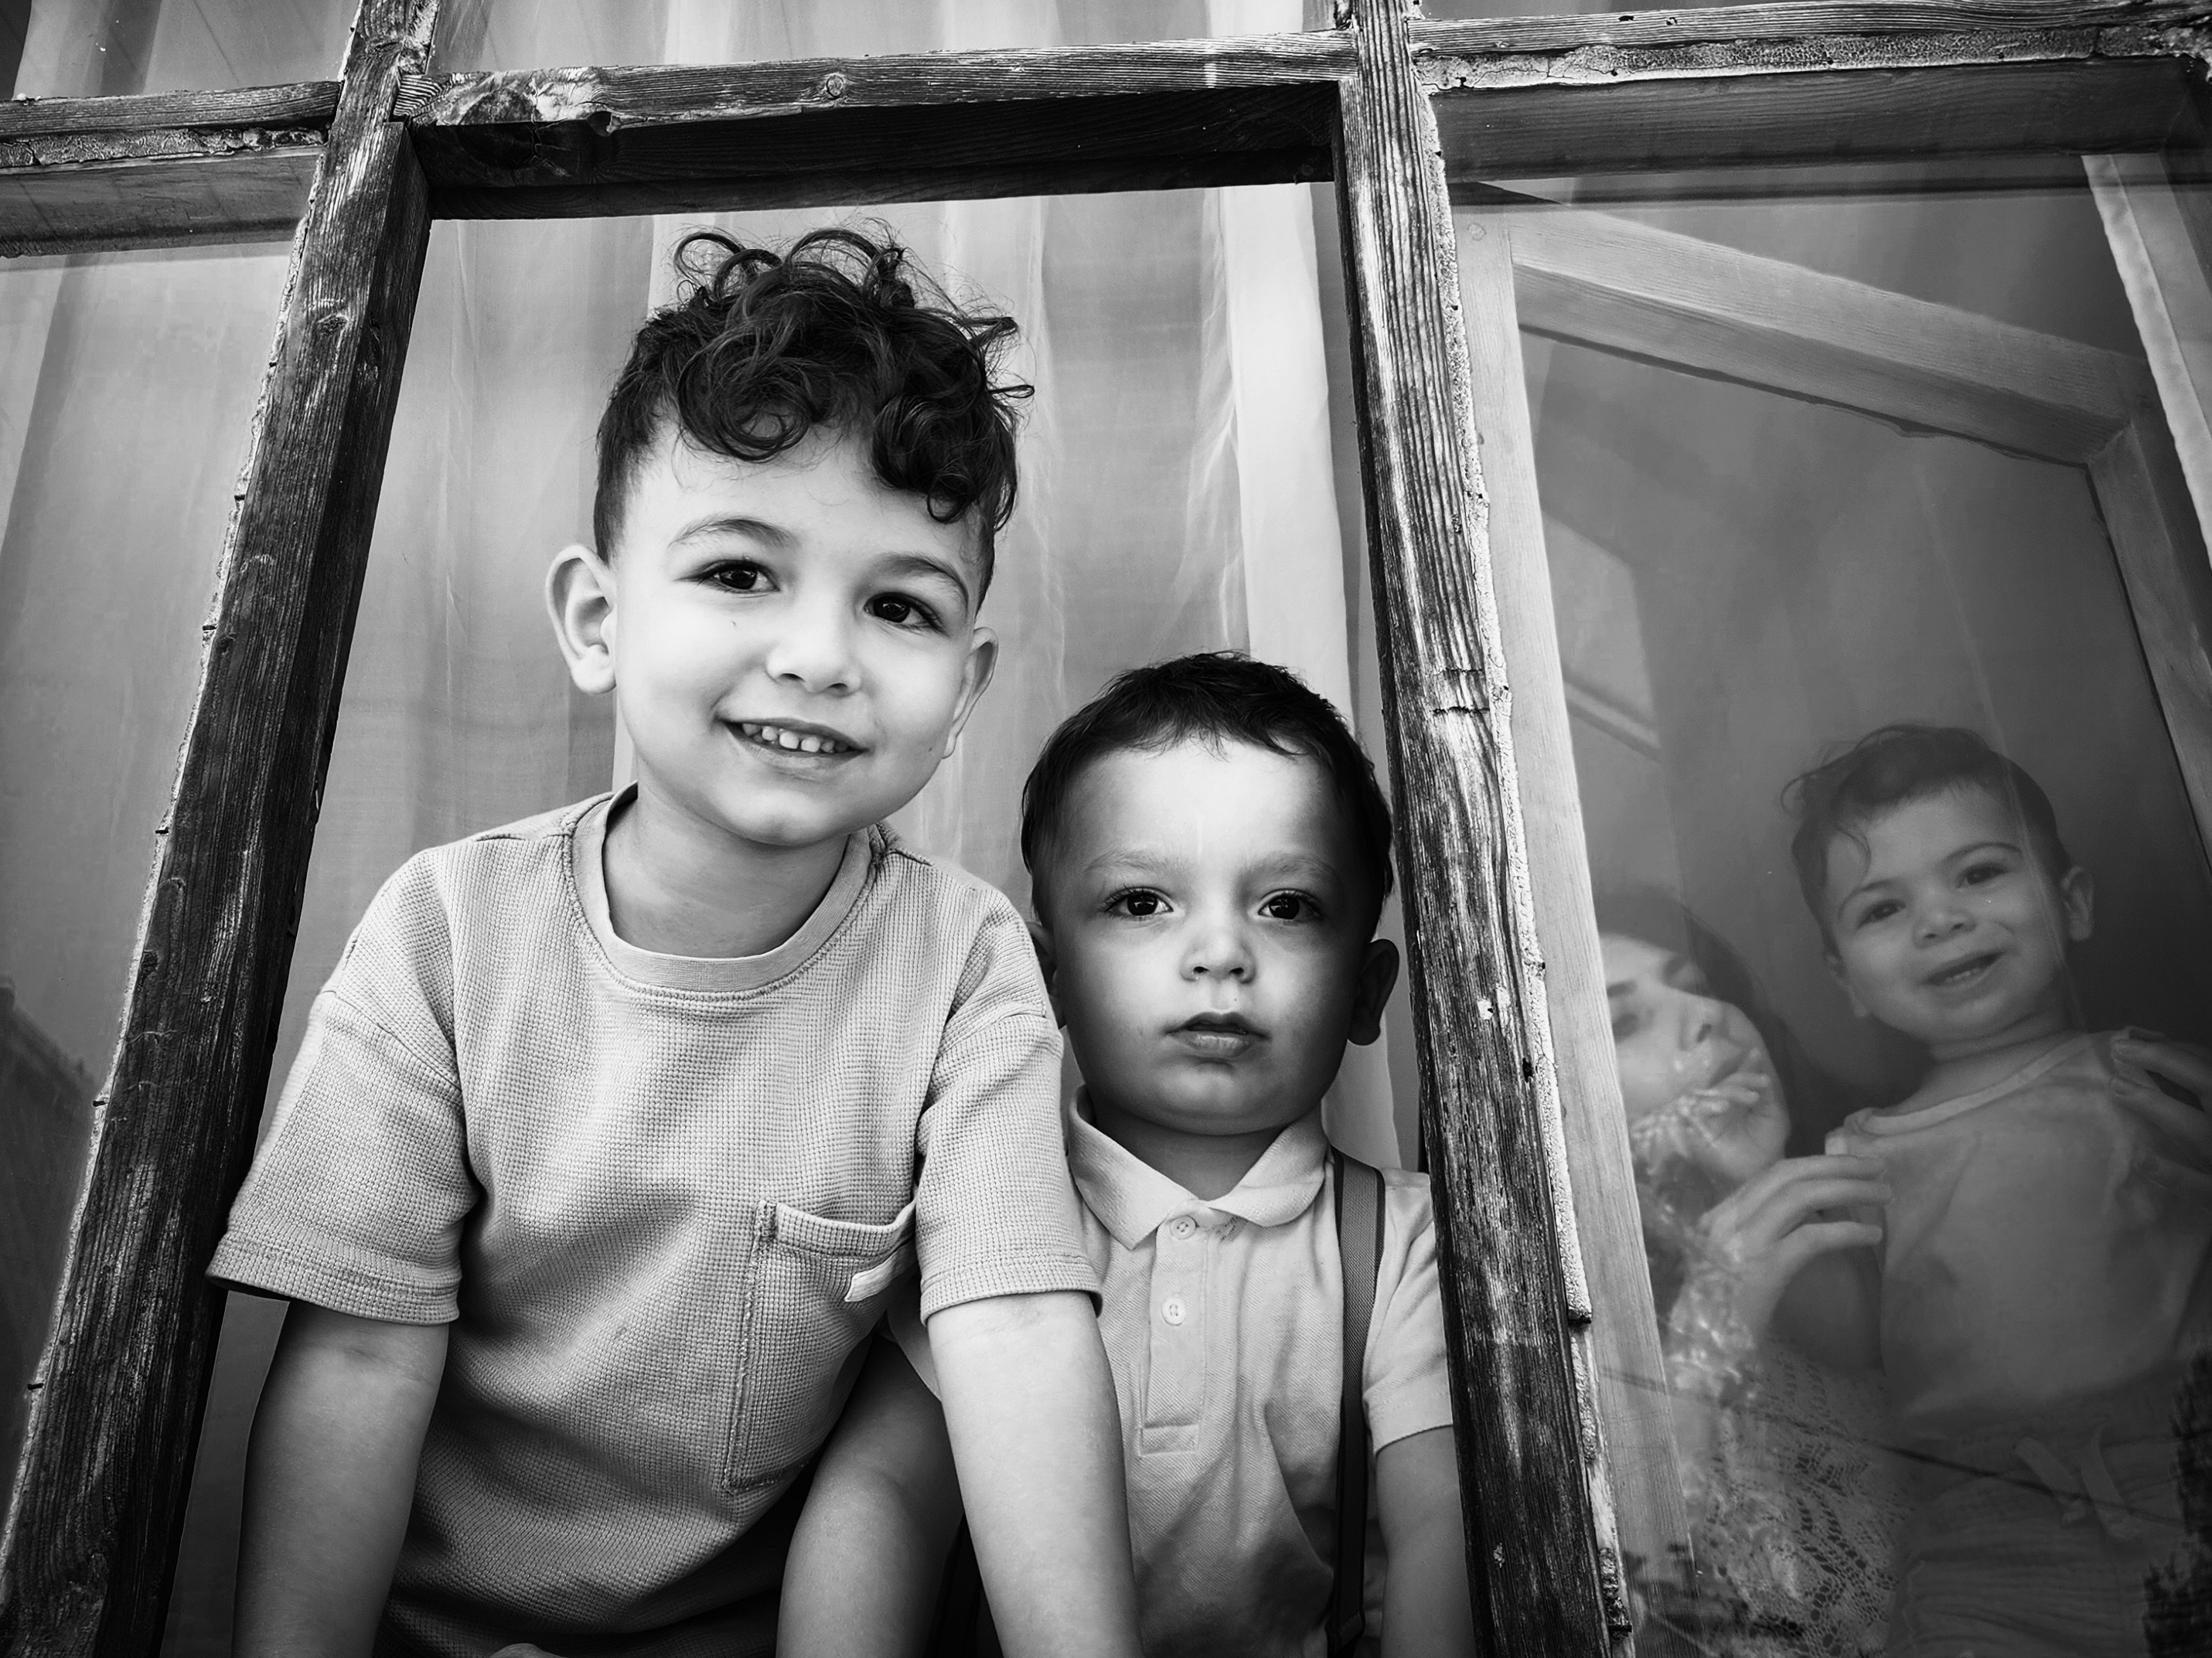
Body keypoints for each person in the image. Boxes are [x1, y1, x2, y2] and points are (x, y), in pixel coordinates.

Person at [212, 230, 1143, 1658]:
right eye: (740, 574)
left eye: (899, 605)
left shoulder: (965, 966)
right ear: (598, 620)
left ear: (963, 689)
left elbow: (1013, 1337)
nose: (822, 654)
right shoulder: (448, 935)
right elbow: (352, 1359)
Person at [779, 654, 1472, 1658]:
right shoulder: (989, 1210)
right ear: (1044, 974)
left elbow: (1440, 1531)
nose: (1220, 950)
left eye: (1286, 904)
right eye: (1145, 901)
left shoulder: (1403, 1244)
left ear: (1367, 992)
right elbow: (885, 1497)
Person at [1781, 723, 2212, 1657]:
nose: (1940, 919)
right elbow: (1845, 1341)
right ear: (1845, 980)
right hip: (1988, 1532)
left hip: (2203, 1476)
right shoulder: (1861, 1156)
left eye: (1980, 872)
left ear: (2072, 901)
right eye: (1881, 909)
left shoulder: (2150, 1080)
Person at [1600, 928, 1903, 1656]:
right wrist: (1711, 1323)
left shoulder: (1877, 1189)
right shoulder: (1576, 1343)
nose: (1709, 1014)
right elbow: (1630, 1614)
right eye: (1624, 1022)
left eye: (1698, 984)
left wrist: (1744, 1185)